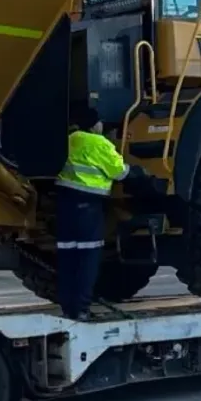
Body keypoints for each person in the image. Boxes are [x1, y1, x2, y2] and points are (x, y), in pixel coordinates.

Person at [55, 104, 133, 320]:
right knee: (87, 260)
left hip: (64, 207)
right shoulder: (97, 142)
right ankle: (81, 309)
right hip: (88, 209)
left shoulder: (66, 140)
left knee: (67, 260)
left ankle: (68, 308)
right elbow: (119, 172)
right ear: (93, 124)